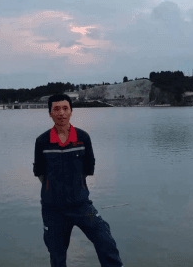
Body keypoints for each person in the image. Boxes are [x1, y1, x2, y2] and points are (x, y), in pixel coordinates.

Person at [33, 93, 124, 267]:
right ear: (50, 113)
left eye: (65, 108)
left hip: (81, 205)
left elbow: (89, 169)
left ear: (71, 111)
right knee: (57, 256)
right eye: (56, 109)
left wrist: (75, 186)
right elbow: (40, 173)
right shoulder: (42, 141)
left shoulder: (83, 138)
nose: (61, 113)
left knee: (104, 238)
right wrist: (54, 189)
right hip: (53, 210)